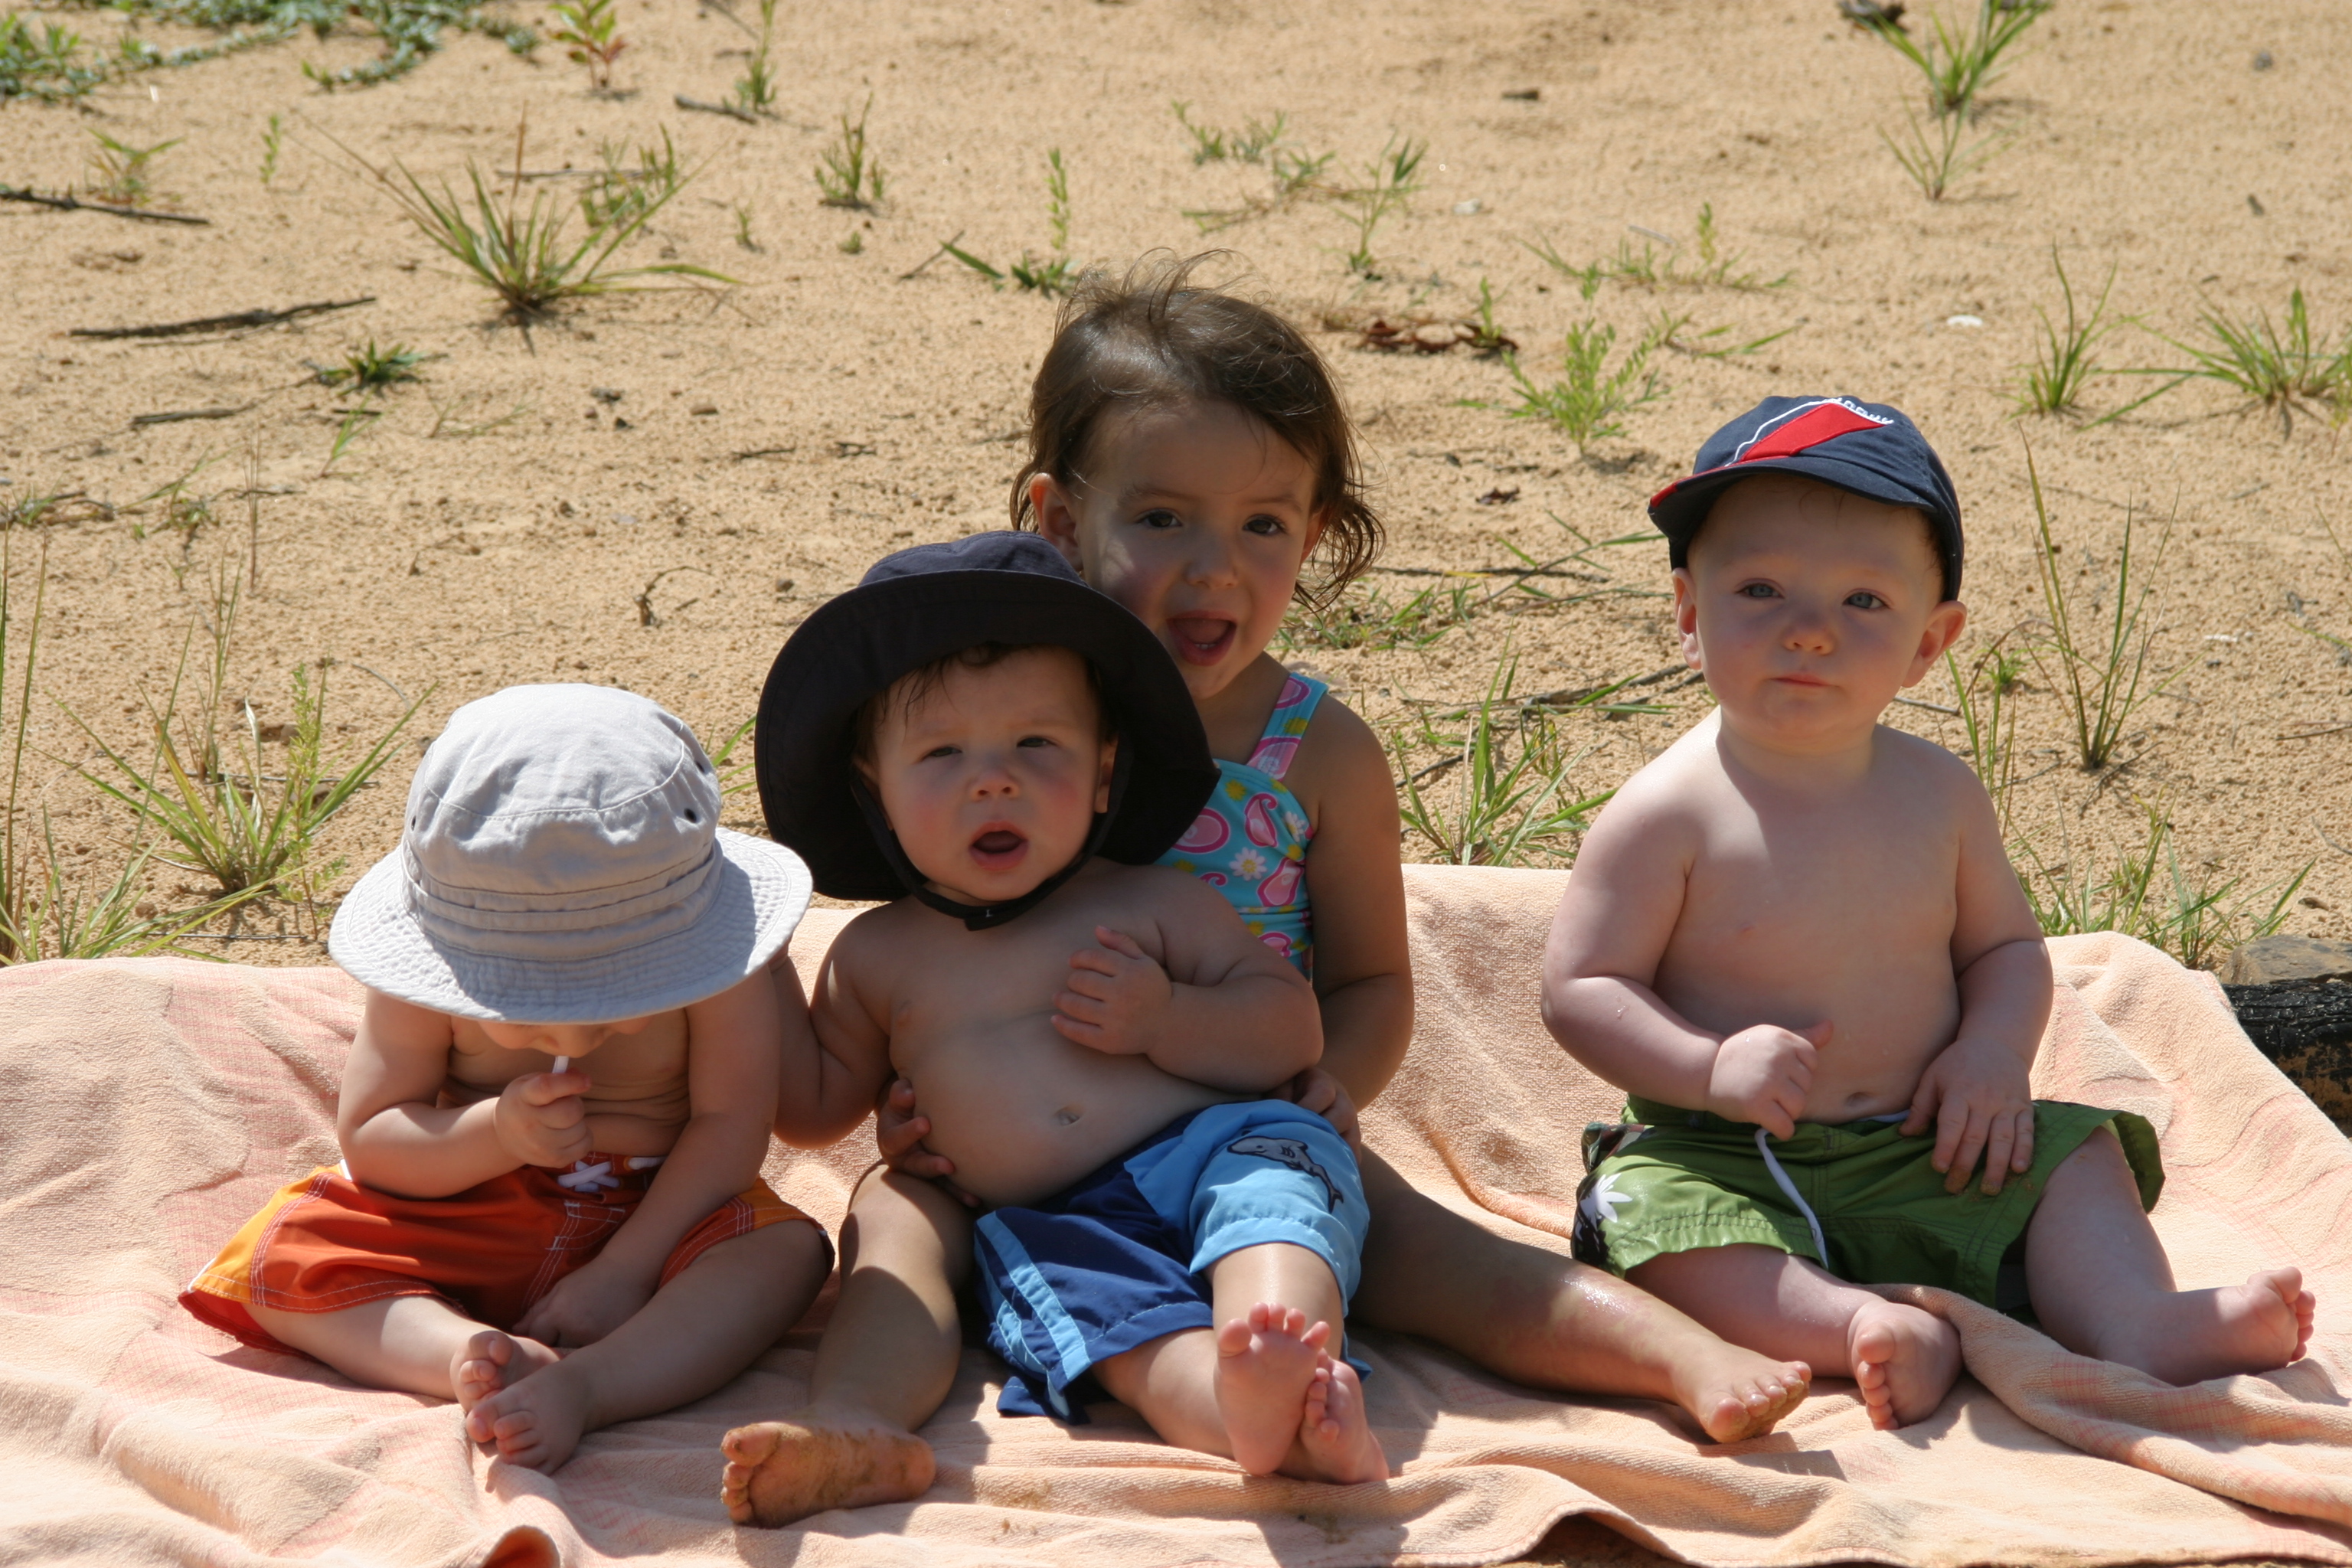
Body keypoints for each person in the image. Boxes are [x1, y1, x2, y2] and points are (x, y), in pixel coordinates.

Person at [721, 259, 1808, 1527]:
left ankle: (1679, 1359)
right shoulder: (969, 703)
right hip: (1010, 1173)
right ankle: (861, 1420)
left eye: (1263, 525)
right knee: (889, 1227)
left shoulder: (1314, 750)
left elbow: (1364, 977)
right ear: (1064, 522)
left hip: (1245, 1113)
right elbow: (840, 1056)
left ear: (1313, 533)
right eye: (1164, 519)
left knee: (1450, 1262)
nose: (1214, 568)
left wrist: (1325, 1079)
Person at [1540, 395, 2317, 1429]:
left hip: (1929, 1141)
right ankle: (1850, 1324)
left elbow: (2001, 947)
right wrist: (1706, 1068)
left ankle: (2135, 1318)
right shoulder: (1666, 811)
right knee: (1637, 1211)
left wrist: (1993, 1054)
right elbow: (1581, 989)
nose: (1810, 629)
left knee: (2075, 1154)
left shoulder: (1939, 794)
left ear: (1929, 642)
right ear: (1689, 613)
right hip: (1732, 1154)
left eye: (1864, 602)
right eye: (1761, 589)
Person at [746, 532, 1392, 1485]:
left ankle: (1289, 1351)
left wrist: (1168, 1019)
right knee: (1091, 1324)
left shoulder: (1147, 900)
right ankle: (862, 1420)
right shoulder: (876, 954)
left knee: (1273, 1203)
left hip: (1212, 1148)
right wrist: (747, 945)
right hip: (1048, 1220)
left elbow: (1290, 1026)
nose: (992, 778)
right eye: (941, 751)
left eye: (1036, 744)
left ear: (1102, 770)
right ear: (873, 786)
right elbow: (808, 1109)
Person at [182, 684, 862, 1472]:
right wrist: (495, 1131)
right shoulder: (422, 975)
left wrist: (624, 1270)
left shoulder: (720, 963)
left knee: (780, 1254)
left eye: (619, 1004)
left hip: (659, 1209)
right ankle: (467, 1355)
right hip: (471, 1202)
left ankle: (593, 1384)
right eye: (529, 1009)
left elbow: (730, 1122)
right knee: (289, 1249)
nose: (573, 1036)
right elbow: (372, 1137)